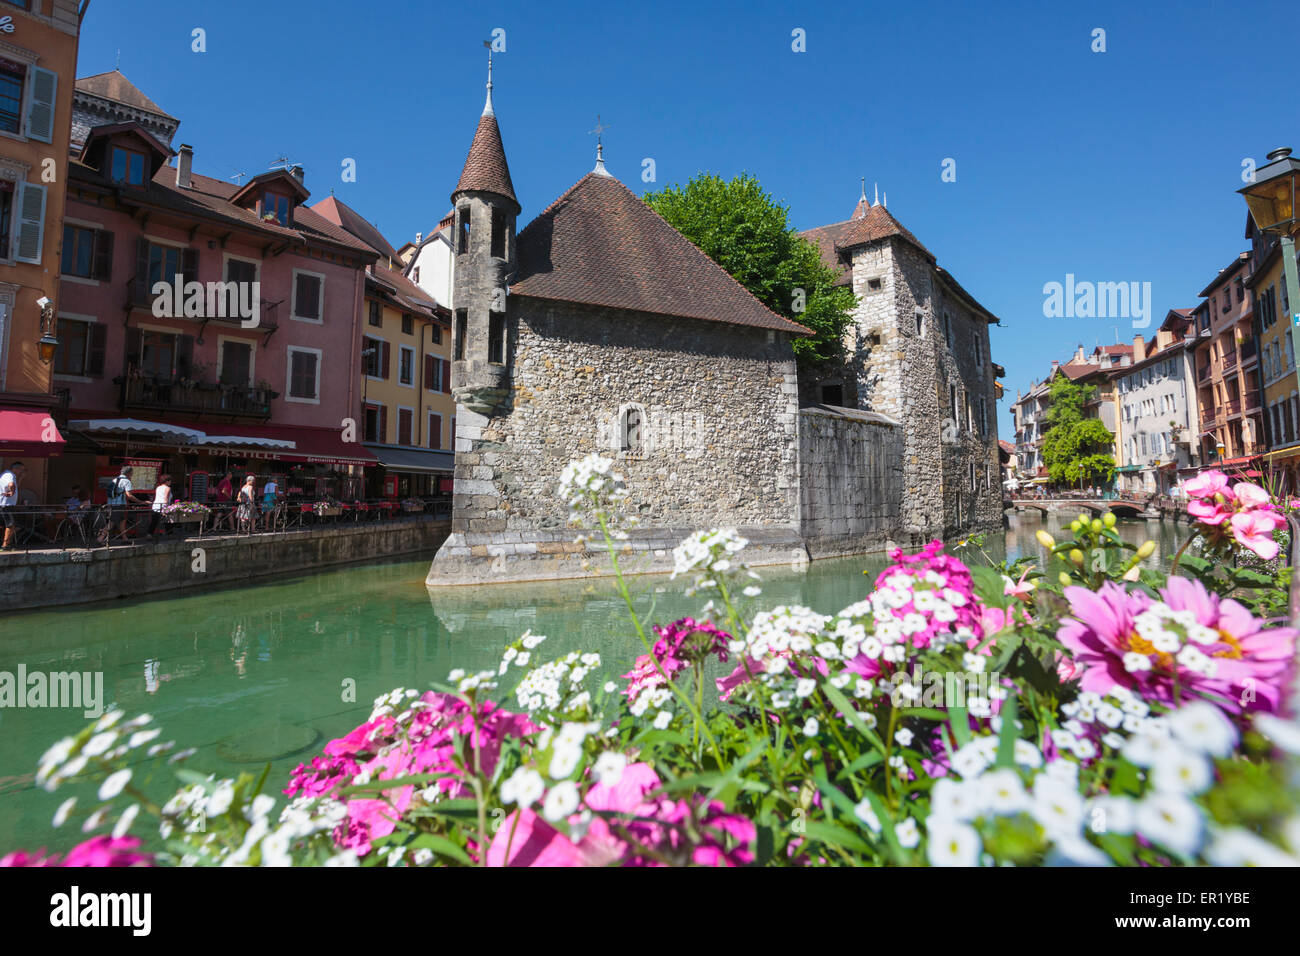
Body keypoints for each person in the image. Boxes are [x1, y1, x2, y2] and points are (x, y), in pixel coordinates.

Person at [102, 466, 145, 545]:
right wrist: (140, 502)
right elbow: (129, 495)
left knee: (122, 521)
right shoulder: (126, 481)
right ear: (129, 473)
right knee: (111, 523)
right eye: (132, 473)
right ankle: (100, 538)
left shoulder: (114, 480)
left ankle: (125, 538)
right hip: (120, 504)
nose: (132, 474)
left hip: (111, 504)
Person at [0, 461, 23, 550]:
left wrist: (20, 478)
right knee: (10, 525)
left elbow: (15, 485)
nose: (22, 471)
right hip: (6, 504)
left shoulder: (6, 474)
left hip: (4, 504)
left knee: (7, 525)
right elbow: (11, 484)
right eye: (21, 470)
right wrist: (12, 492)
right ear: (16, 468)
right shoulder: (9, 475)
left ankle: (7, 543)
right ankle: (5, 545)